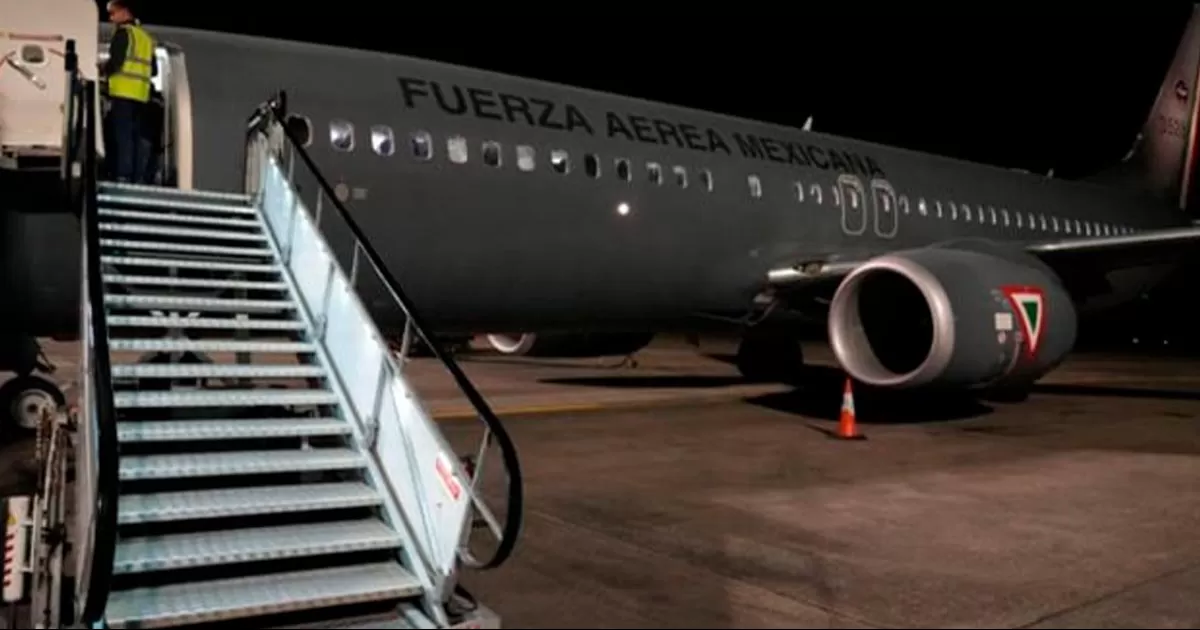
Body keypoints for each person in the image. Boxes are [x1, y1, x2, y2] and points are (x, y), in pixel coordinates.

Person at [102, 0, 157, 183]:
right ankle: (136, 176)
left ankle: (122, 174)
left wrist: (103, 69)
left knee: (122, 136)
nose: (111, 18)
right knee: (137, 137)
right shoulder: (146, 38)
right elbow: (154, 70)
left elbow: (116, 63)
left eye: (113, 13)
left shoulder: (122, 33)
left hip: (123, 93)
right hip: (141, 96)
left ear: (125, 12)